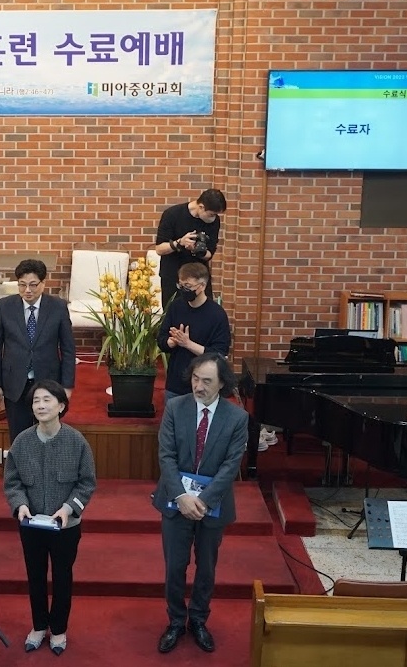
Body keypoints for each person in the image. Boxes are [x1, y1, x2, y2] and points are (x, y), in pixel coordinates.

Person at [151, 353, 248, 655]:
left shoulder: (237, 418)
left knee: (206, 568)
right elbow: (166, 455)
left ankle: (198, 620)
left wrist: (202, 501)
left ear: (222, 384)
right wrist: (181, 496)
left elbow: (231, 466)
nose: (199, 386)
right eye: (195, 379)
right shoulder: (175, 407)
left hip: (212, 505)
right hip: (176, 502)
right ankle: (175, 621)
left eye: (207, 381)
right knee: (174, 567)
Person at [2, 380, 96, 656]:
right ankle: (38, 625)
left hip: (65, 525)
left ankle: (58, 629)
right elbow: (12, 482)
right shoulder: (22, 441)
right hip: (31, 525)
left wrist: (68, 509)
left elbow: (87, 483)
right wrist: (20, 505)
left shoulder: (76, 442)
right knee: (35, 576)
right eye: (36, 401)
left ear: (61, 406)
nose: (40, 406)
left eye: (47, 400)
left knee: (62, 577)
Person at [0, 259, 76, 442]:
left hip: (48, 381)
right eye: (22, 285)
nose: (27, 290)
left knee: (48, 437)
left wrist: (67, 386)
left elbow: (68, 349)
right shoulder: (4, 307)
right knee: (19, 438)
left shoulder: (58, 307)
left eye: (33, 285)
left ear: (43, 283)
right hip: (15, 383)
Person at [157, 262, 232, 402]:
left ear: (202, 286)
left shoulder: (217, 314)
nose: (183, 290)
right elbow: (161, 339)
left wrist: (188, 344)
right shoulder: (175, 307)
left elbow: (219, 353)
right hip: (176, 384)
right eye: (180, 285)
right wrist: (171, 342)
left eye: (188, 286)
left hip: (205, 387)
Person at [154, 188, 227, 307]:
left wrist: (198, 250)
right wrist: (179, 243)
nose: (213, 218)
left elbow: (209, 254)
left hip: (199, 277)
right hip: (173, 276)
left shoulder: (214, 221)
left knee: (204, 313)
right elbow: (159, 249)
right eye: (211, 214)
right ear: (201, 207)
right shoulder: (172, 214)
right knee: (174, 313)